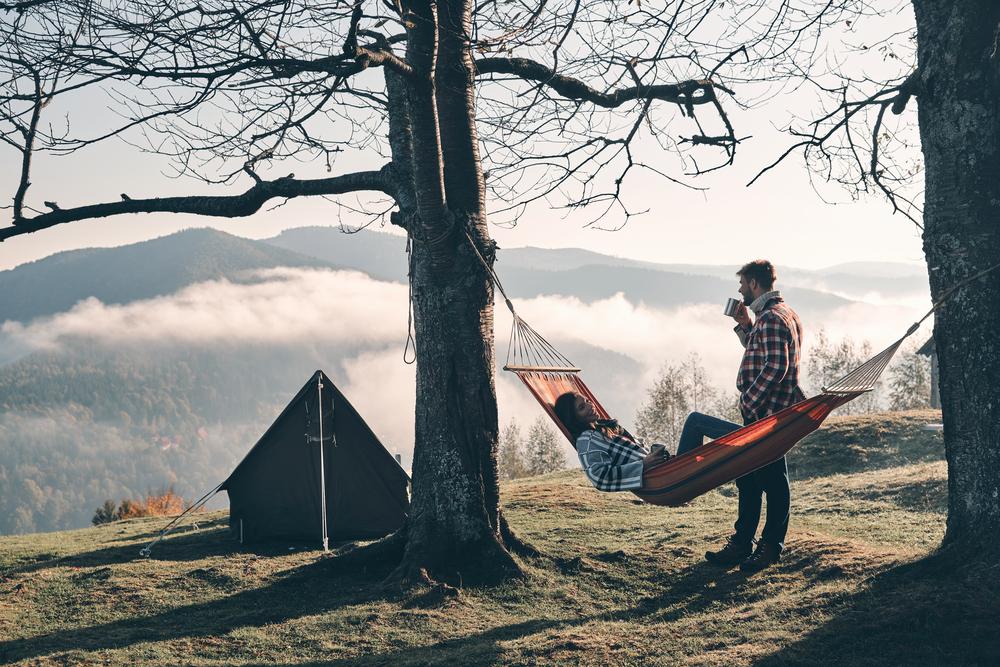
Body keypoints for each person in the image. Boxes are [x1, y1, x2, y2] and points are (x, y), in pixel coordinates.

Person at [689, 259, 805, 574]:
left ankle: (770, 546)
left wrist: (750, 402)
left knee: (771, 480)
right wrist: (745, 325)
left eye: (742, 285)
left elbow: (775, 367)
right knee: (749, 477)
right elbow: (762, 349)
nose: (740, 291)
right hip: (770, 412)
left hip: (766, 415)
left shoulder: (771, 318)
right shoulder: (781, 315)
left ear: (754, 283)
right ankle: (742, 542)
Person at [553, 391, 669, 492]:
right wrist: (643, 464)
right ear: (573, 418)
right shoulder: (587, 439)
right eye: (582, 407)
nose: (590, 406)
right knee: (689, 422)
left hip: (663, 471)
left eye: (588, 401)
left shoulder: (604, 429)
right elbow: (599, 477)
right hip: (656, 480)